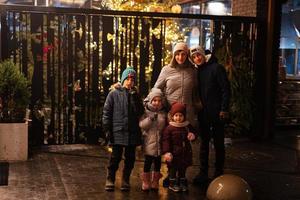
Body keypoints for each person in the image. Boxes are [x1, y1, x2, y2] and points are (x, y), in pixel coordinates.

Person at [153, 42, 198, 187]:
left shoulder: (193, 71)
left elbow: (197, 91)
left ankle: (181, 176)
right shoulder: (167, 70)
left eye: (183, 54)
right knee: (170, 146)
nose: (180, 57)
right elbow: (157, 88)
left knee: (183, 148)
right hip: (170, 115)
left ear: (187, 55)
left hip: (187, 116)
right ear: (174, 55)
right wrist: (159, 103)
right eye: (177, 54)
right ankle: (170, 176)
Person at [189, 46, 230, 184]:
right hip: (203, 113)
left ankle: (218, 172)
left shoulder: (217, 68)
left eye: (198, 55)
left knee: (218, 144)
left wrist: (224, 109)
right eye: (194, 57)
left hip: (218, 113)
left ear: (203, 55)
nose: (197, 58)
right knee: (204, 144)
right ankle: (203, 172)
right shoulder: (197, 71)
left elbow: (225, 89)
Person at [102, 66, 144, 191]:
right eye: (128, 79)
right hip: (118, 131)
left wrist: (135, 98)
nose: (130, 81)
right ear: (123, 79)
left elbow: (140, 112)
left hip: (132, 132)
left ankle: (125, 179)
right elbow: (107, 112)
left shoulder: (135, 95)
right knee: (115, 157)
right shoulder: (113, 94)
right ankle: (110, 178)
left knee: (130, 158)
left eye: (132, 79)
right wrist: (107, 129)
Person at [162, 102, 196, 192]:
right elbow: (166, 141)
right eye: (176, 115)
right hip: (173, 154)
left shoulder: (187, 126)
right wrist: (167, 152)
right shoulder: (169, 128)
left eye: (180, 115)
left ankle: (182, 182)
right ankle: (172, 183)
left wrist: (193, 136)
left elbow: (194, 133)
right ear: (172, 116)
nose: (178, 118)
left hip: (184, 153)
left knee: (182, 169)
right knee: (173, 169)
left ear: (184, 116)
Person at [139, 88, 167, 191]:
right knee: (148, 162)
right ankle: (146, 181)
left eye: (159, 101)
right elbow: (142, 125)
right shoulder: (146, 112)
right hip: (149, 142)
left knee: (158, 163)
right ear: (150, 101)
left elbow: (165, 126)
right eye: (154, 100)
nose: (157, 103)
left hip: (159, 142)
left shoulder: (163, 113)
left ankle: (155, 181)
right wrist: (150, 119)